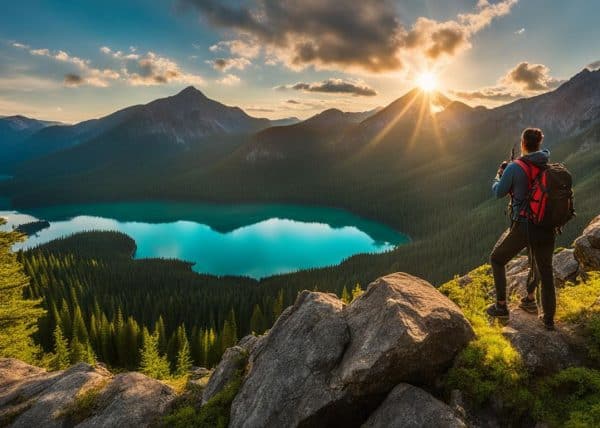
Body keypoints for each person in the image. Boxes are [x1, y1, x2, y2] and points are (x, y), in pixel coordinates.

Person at [486, 128, 556, 330]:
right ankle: (546, 317)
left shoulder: (515, 167)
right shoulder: (546, 165)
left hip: (525, 225)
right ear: (539, 144)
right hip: (546, 226)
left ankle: (501, 306)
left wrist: (498, 175)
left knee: (497, 259)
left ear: (523, 143)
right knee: (545, 269)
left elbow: (499, 192)